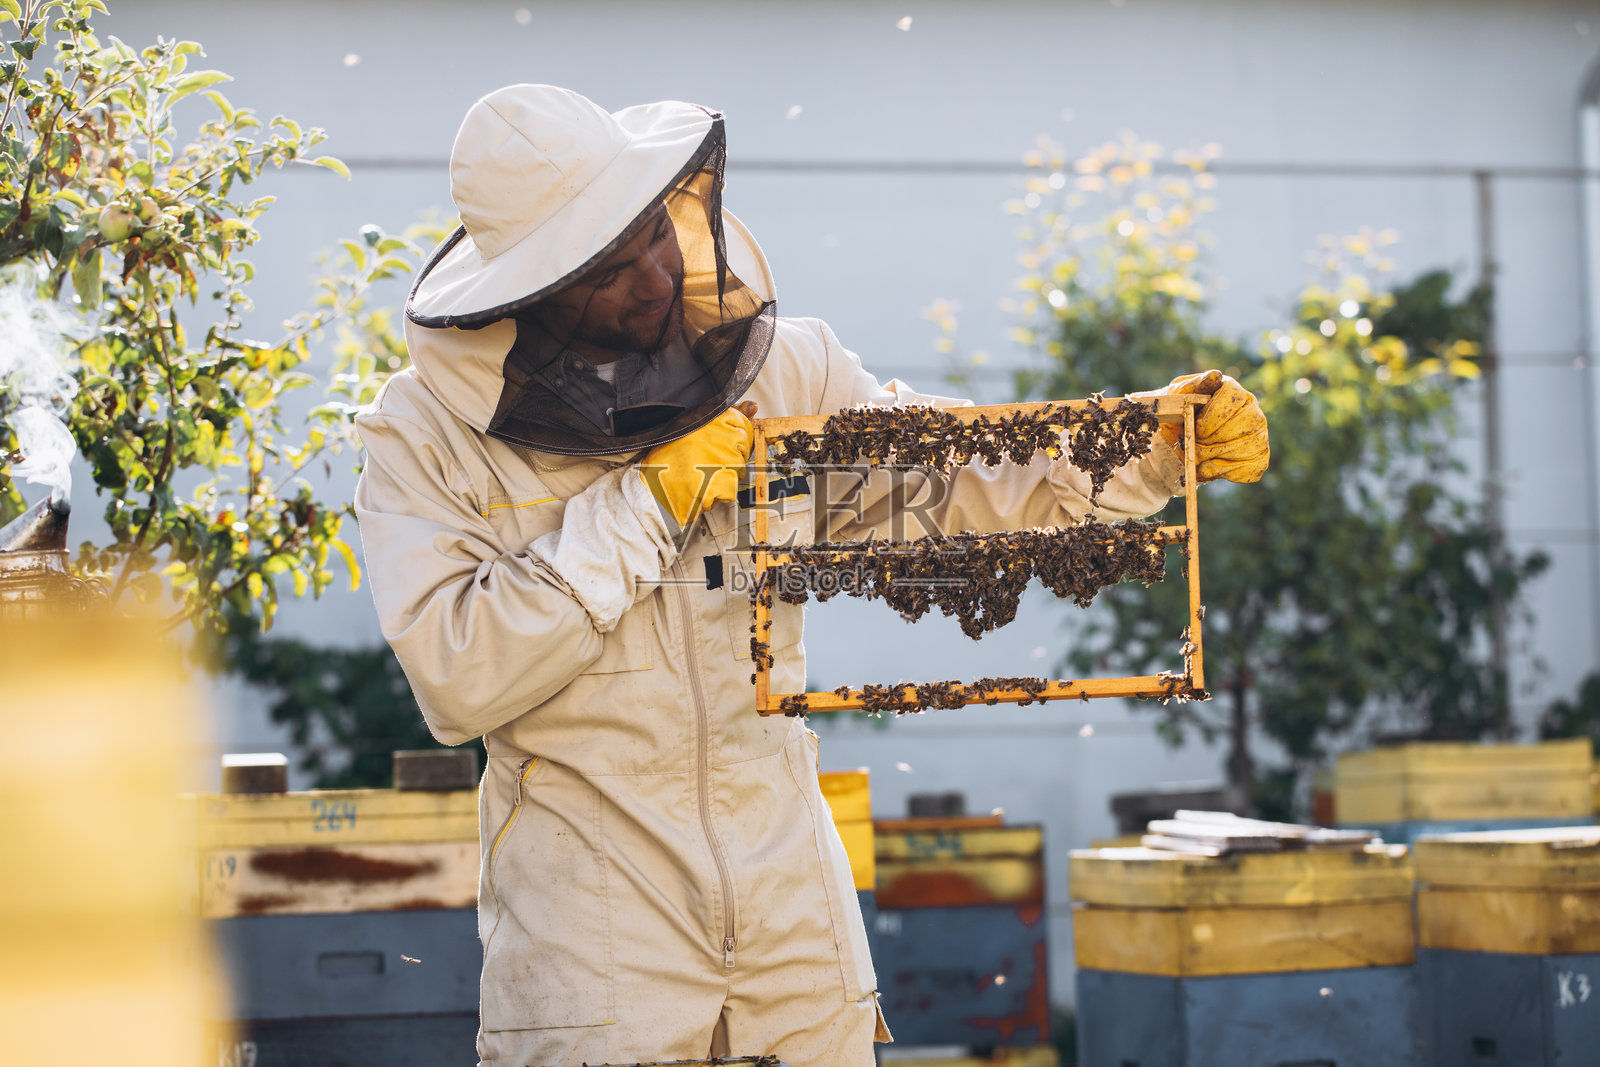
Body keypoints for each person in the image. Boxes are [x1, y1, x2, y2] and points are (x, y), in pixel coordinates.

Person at [354, 84, 1269, 1067]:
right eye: (612, 270)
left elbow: (953, 478)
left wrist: (1144, 443)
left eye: (656, 235)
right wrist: (640, 509)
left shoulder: (784, 376)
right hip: (595, 953)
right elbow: (459, 676)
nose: (655, 274)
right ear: (533, 290)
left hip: (793, 929)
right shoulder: (423, 438)